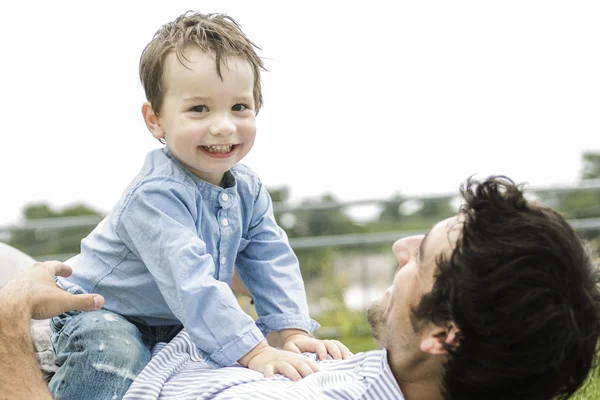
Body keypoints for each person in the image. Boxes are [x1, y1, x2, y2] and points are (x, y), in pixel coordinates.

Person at [2, 176, 599, 399]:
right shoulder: (385, 372)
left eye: (424, 258)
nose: (401, 248)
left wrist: (7, 325)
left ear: (445, 335)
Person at [48, 11, 349, 400]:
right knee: (116, 356)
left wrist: (290, 331)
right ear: (156, 120)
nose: (224, 125)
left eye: (239, 107)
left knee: (219, 355)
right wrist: (254, 352)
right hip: (100, 309)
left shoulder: (249, 189)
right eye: (199, 109)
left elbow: (271, 260)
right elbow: (191, 281)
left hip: (170, 319)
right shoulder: (154, 195)